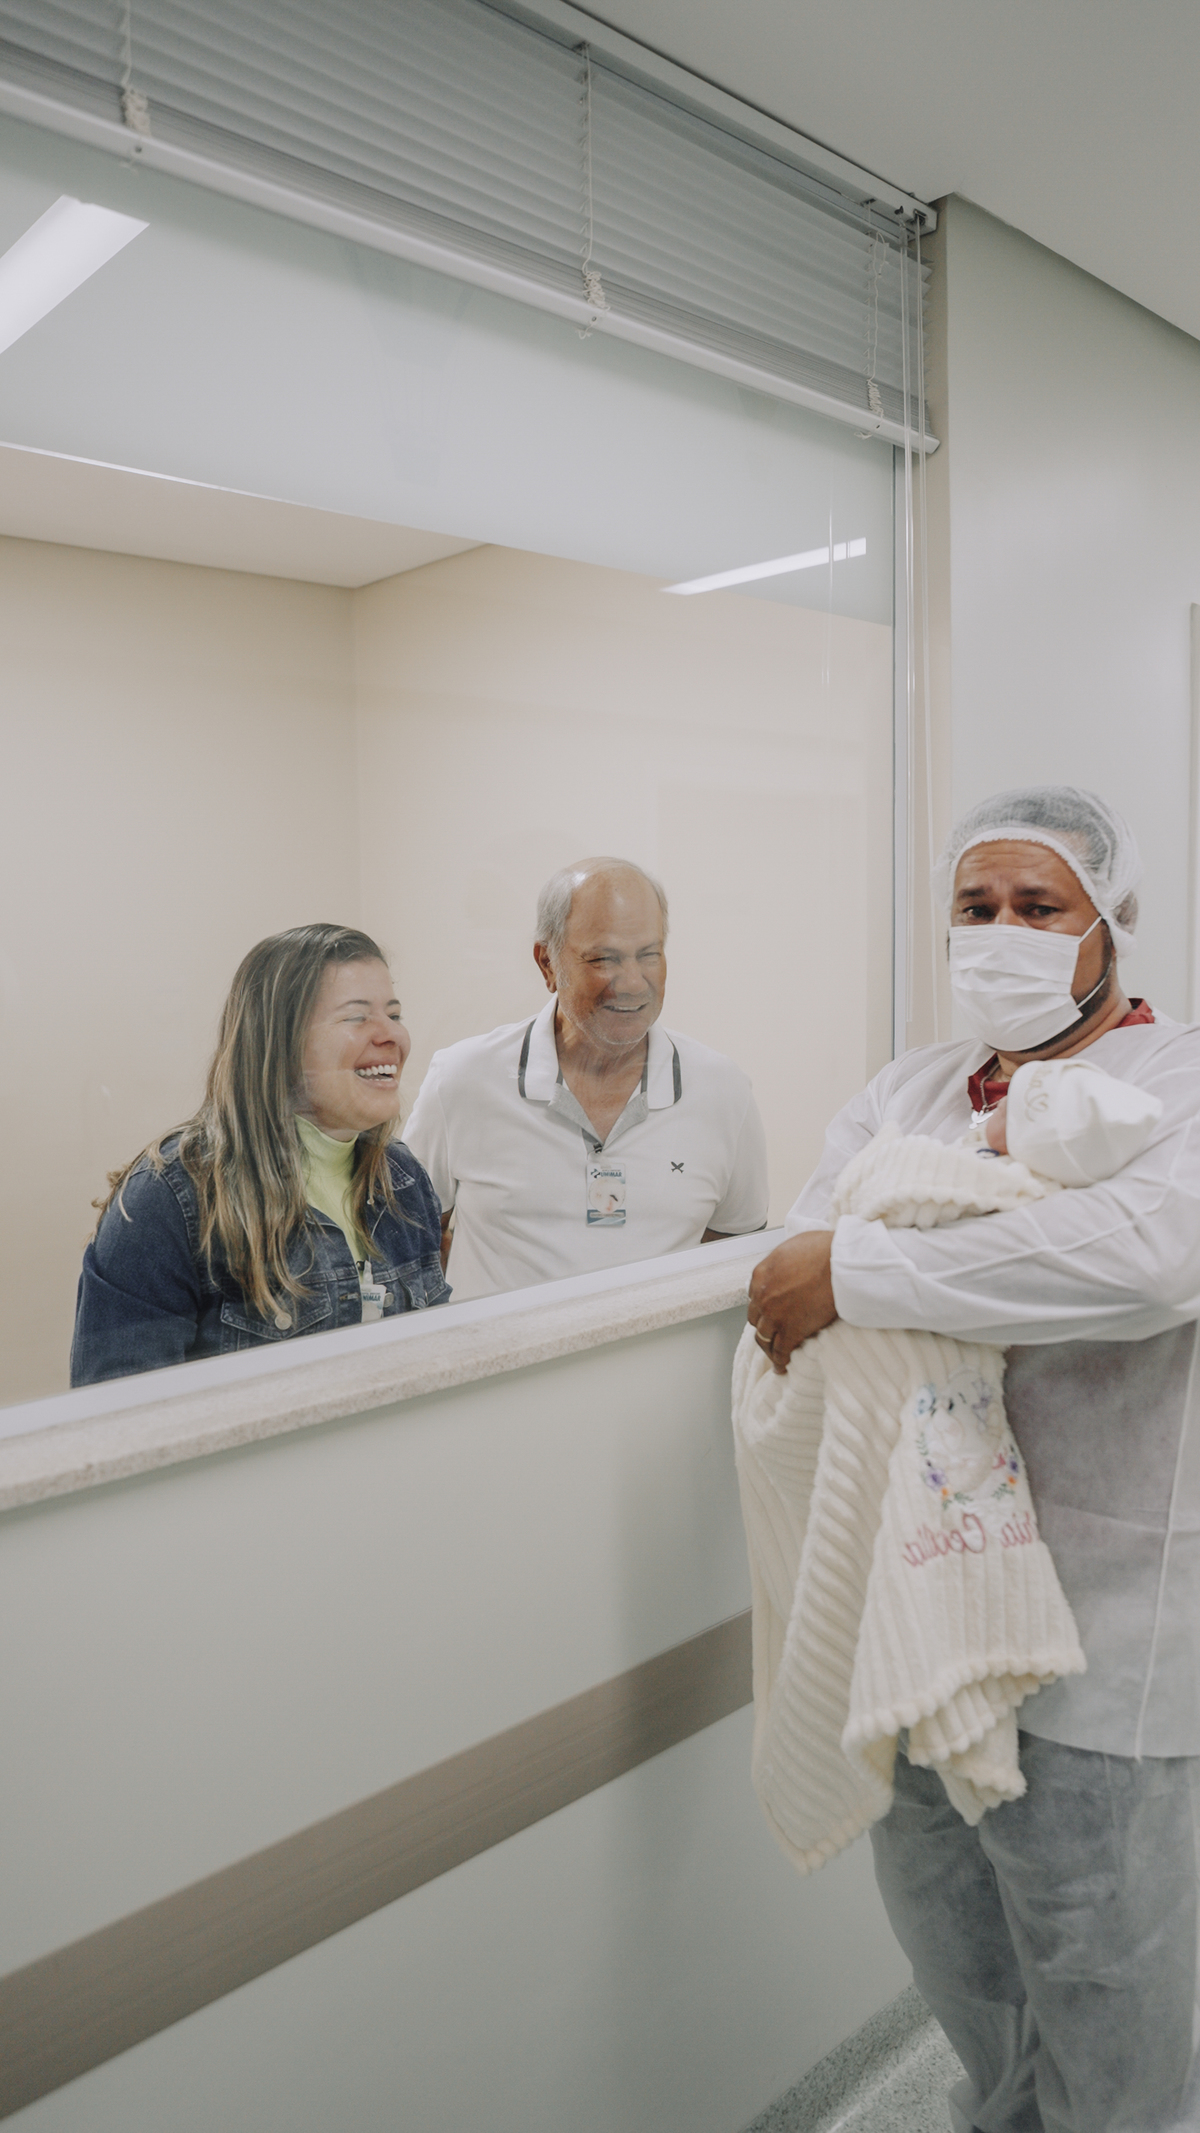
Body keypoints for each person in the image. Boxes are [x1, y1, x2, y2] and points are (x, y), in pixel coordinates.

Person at [747, 786, 1200, 2133]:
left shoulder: (1174, 1085)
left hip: (1110, 1620)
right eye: (975, 907)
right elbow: (798, 1259)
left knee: (1104, 1967)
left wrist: (870, 1269)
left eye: (1038, 907)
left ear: (1114, 921)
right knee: (957, 1949)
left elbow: (1143, 1259)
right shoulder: (911, 1091)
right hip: (920, 1606)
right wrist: (875, 1255)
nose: (1001, 933)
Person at [72, 925, 449, 1385]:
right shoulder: (168, 1200)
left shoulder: (402, 1179)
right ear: (279, 1042)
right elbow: (121, 1414)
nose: (392, 1035)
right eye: (357, 1017)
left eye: (394, 1014)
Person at [403, 858, 769, 1298]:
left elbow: (732, 1252)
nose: (632, 983)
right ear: (547, 964)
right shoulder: (461, 1080)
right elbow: (412, 1245)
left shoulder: (723, 1092)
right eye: (603, 959)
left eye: (649, 955)